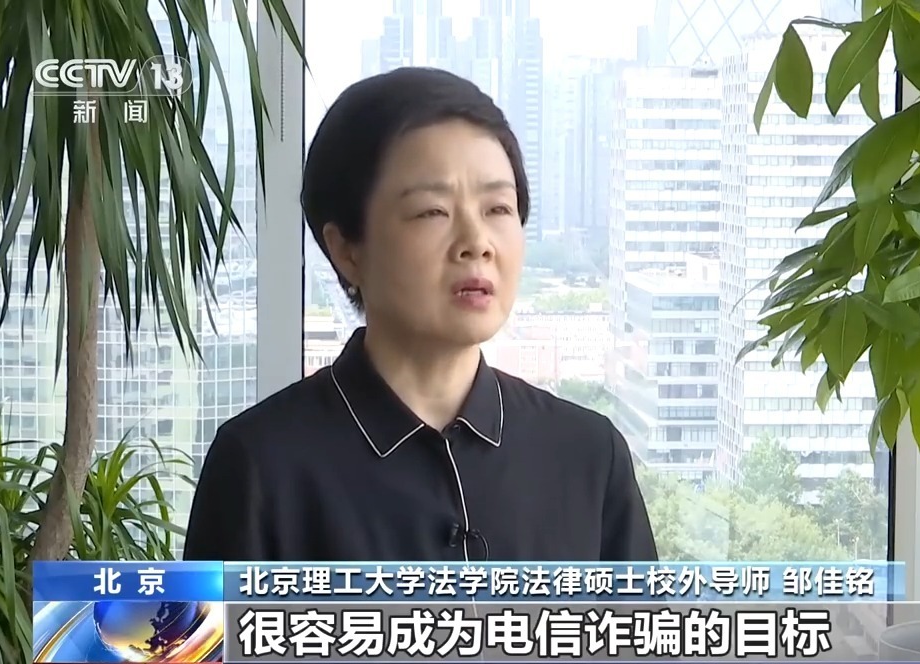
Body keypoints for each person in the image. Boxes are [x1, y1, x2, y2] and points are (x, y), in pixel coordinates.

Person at [183, 67, 657, 563]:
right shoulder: (260, 466)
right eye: (433, 211)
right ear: (346, 250)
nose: (477, 243)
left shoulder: (589, 455)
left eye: (498, 208)